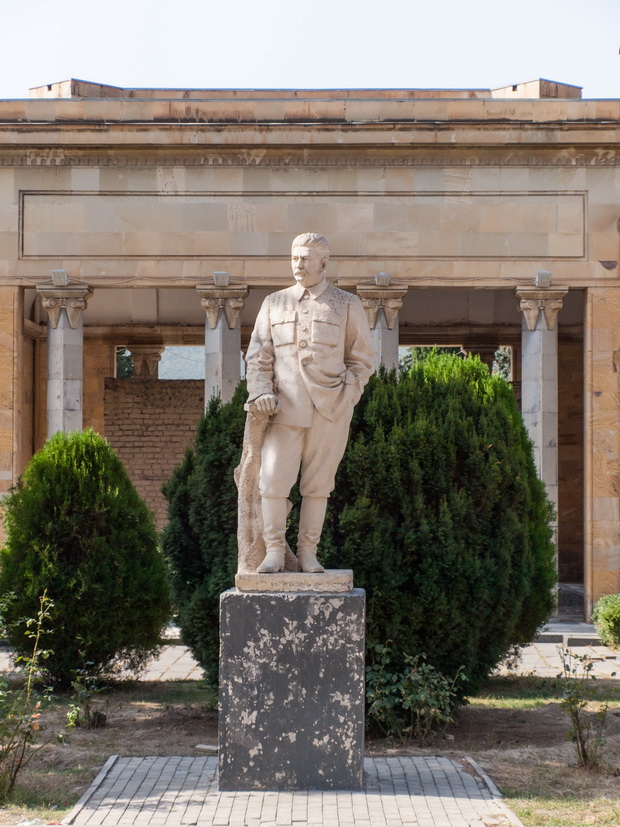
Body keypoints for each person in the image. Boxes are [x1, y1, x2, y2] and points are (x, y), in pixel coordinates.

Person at [245, 232, 374, 573]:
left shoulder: (346, 304)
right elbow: (258, 355)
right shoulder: (274, 303)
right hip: (283, 409)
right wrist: (260, 392)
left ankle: (308, 553)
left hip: (330, 409)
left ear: (323, 263)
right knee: (272, 481)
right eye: (294, 258)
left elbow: (362, 361)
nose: (298, 264)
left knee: (318, 485)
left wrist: (348, 394)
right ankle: (274, 551)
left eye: (304, 258)